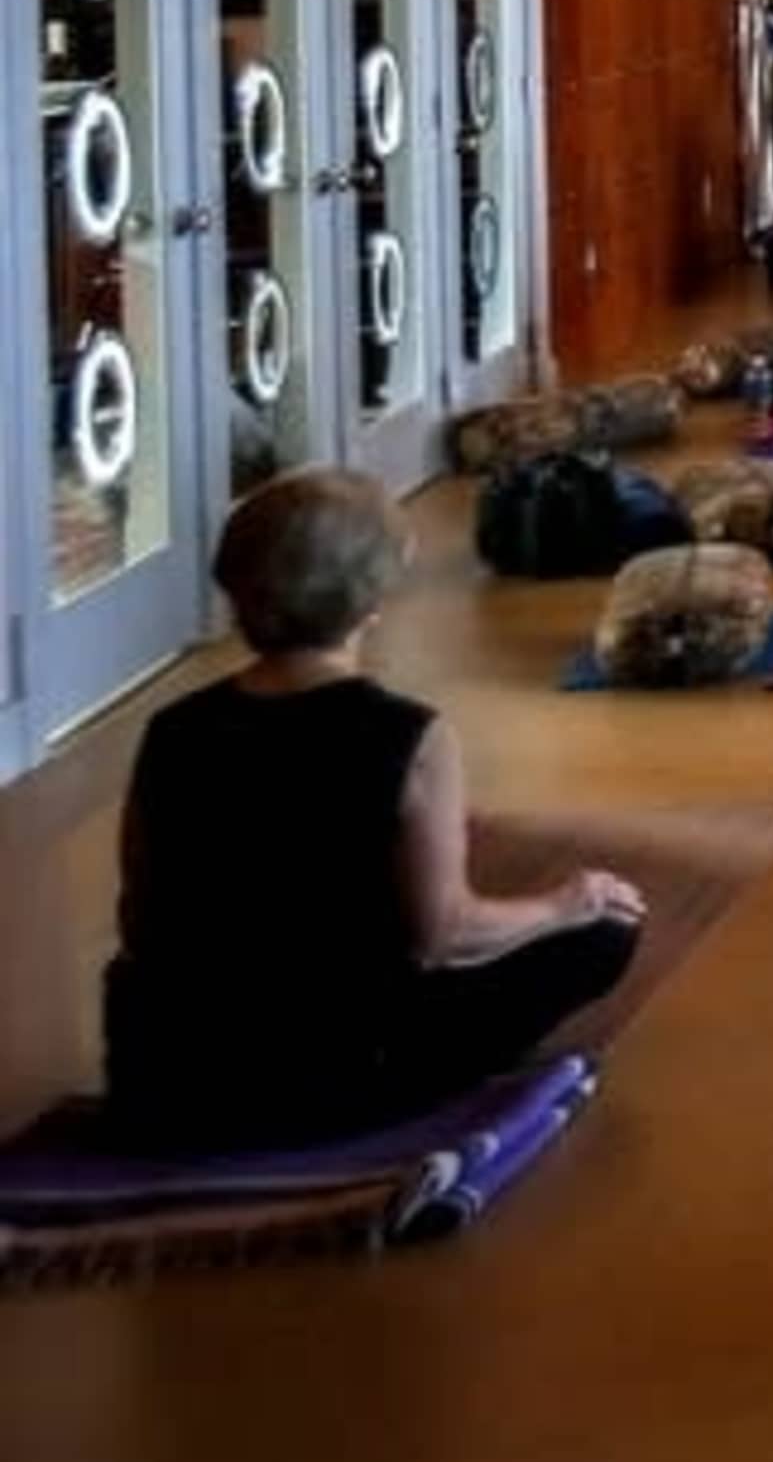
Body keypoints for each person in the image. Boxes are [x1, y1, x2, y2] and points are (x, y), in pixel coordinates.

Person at [102, 468, 646, 1149]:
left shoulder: (172, 730)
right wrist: (565, 903)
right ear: (371, 601)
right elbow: (442, 935)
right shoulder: (407, 736)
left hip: (167, 1082)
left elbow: (139, 921)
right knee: (605, 932)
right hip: (339, 1073)